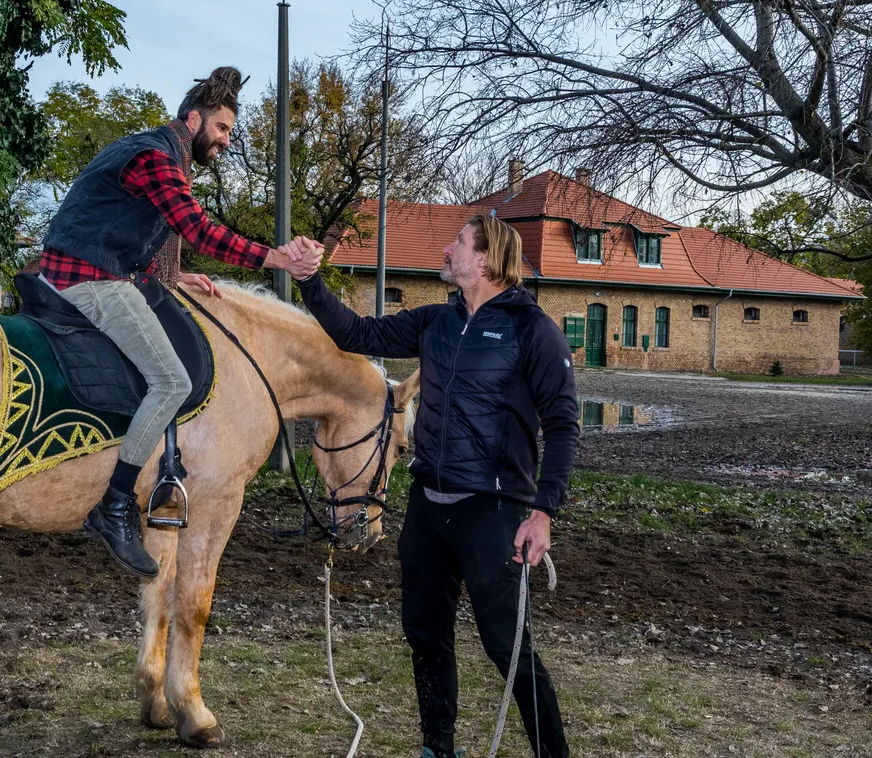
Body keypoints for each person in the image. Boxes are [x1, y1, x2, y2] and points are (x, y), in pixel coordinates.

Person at [294, 215, 579, 758]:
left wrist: (543, 511)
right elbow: (356, 333)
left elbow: (564, 424)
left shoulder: (533, 330)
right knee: (424, 634)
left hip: (493, 509)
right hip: (429, 503)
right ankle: (438, 747)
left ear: (486, 259)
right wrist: (311, 281)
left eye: (458, 243)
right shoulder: (436, 322)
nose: (446, 250)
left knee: (507, 645)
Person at [39, 67, 321, 578]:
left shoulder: (152, 154)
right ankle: (116, 503)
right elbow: (199, 228)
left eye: (230, 132)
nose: (226, 142)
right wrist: (276, 258)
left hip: (94, 270)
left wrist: (173, 275)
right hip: (88, 280)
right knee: (172, 380)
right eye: (222, 129)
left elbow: (134, 228)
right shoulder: (155, 158)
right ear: (193, 120)